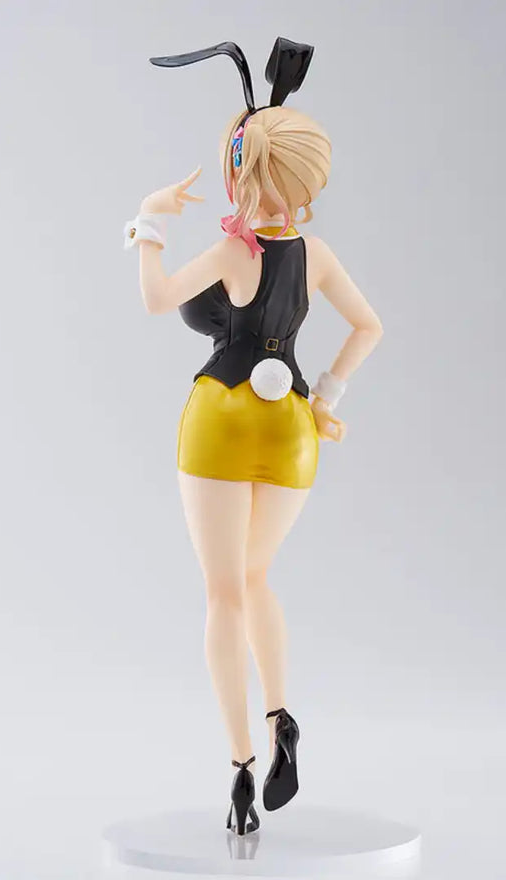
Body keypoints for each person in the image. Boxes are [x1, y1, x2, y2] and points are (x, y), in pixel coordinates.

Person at [124, 38, 383, 837]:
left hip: (222, 420)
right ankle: (283, 718)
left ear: (242, 164)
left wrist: (148, 220)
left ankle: (240, 766)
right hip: (292, 428)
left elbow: (157, 299)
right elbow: (369, 327)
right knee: (258, 577)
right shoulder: (317, 254)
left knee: (223, 594)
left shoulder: (233, 252)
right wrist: (325, 397)